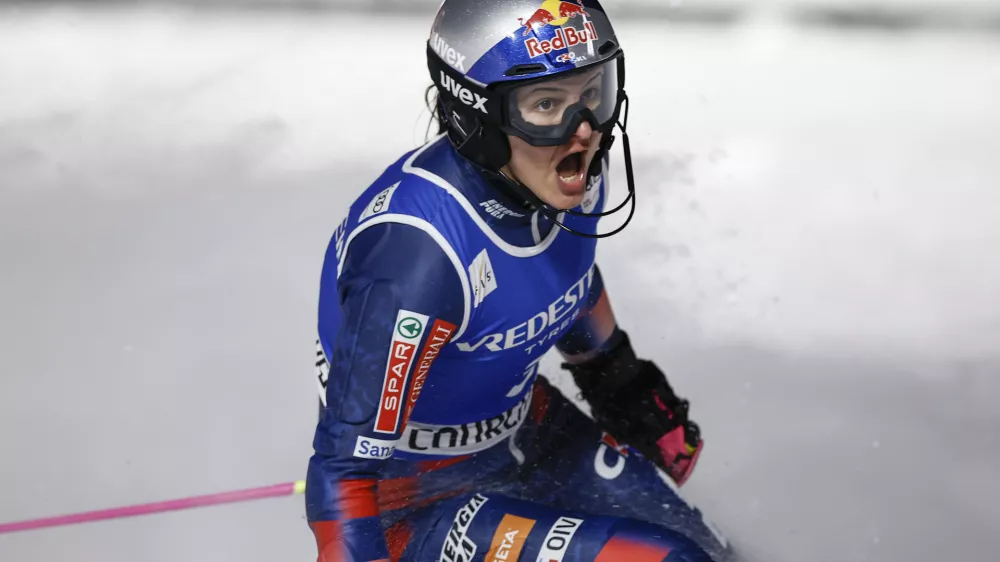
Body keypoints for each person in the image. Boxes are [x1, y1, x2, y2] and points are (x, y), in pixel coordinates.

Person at [305, 1, 735, 560]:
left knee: (717, 554)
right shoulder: (419, 257)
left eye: (592, 93)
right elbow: (344, 474)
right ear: (474, 116)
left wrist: (615, 374)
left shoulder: (567, 173)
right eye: (546, 105)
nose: (582, 131)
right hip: (415, 504)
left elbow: (554, 274)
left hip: (526, 432)